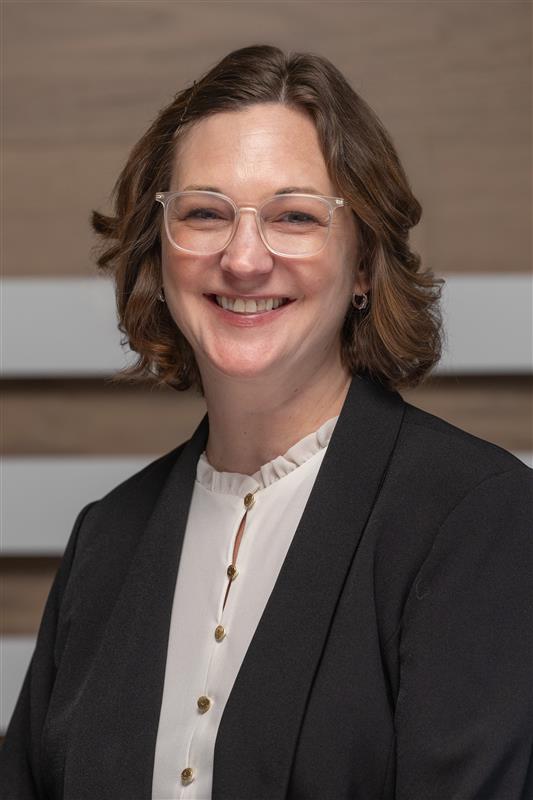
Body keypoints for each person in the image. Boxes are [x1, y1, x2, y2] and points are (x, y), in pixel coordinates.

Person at [1, 44, 531, 800]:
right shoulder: (106, 539)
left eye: (294, 216)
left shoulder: (476, 519)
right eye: (204, 213)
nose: (244, 259)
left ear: (363, 265)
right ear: (158, 252)